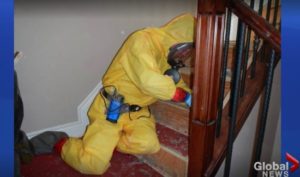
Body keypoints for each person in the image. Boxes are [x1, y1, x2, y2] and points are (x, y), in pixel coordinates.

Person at [30, 13, 195, 175]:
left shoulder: (167, 58)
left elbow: (175, 82)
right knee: (93, 165)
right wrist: (180, 95)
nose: (186, 56)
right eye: (187, 49)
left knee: (149, 144)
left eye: (190, 52)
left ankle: (109, 143)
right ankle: (60, 142)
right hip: (111, 109)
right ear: (178, 41)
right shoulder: (142, 40)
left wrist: (192, 96)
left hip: (138, 113)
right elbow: (148, 80)